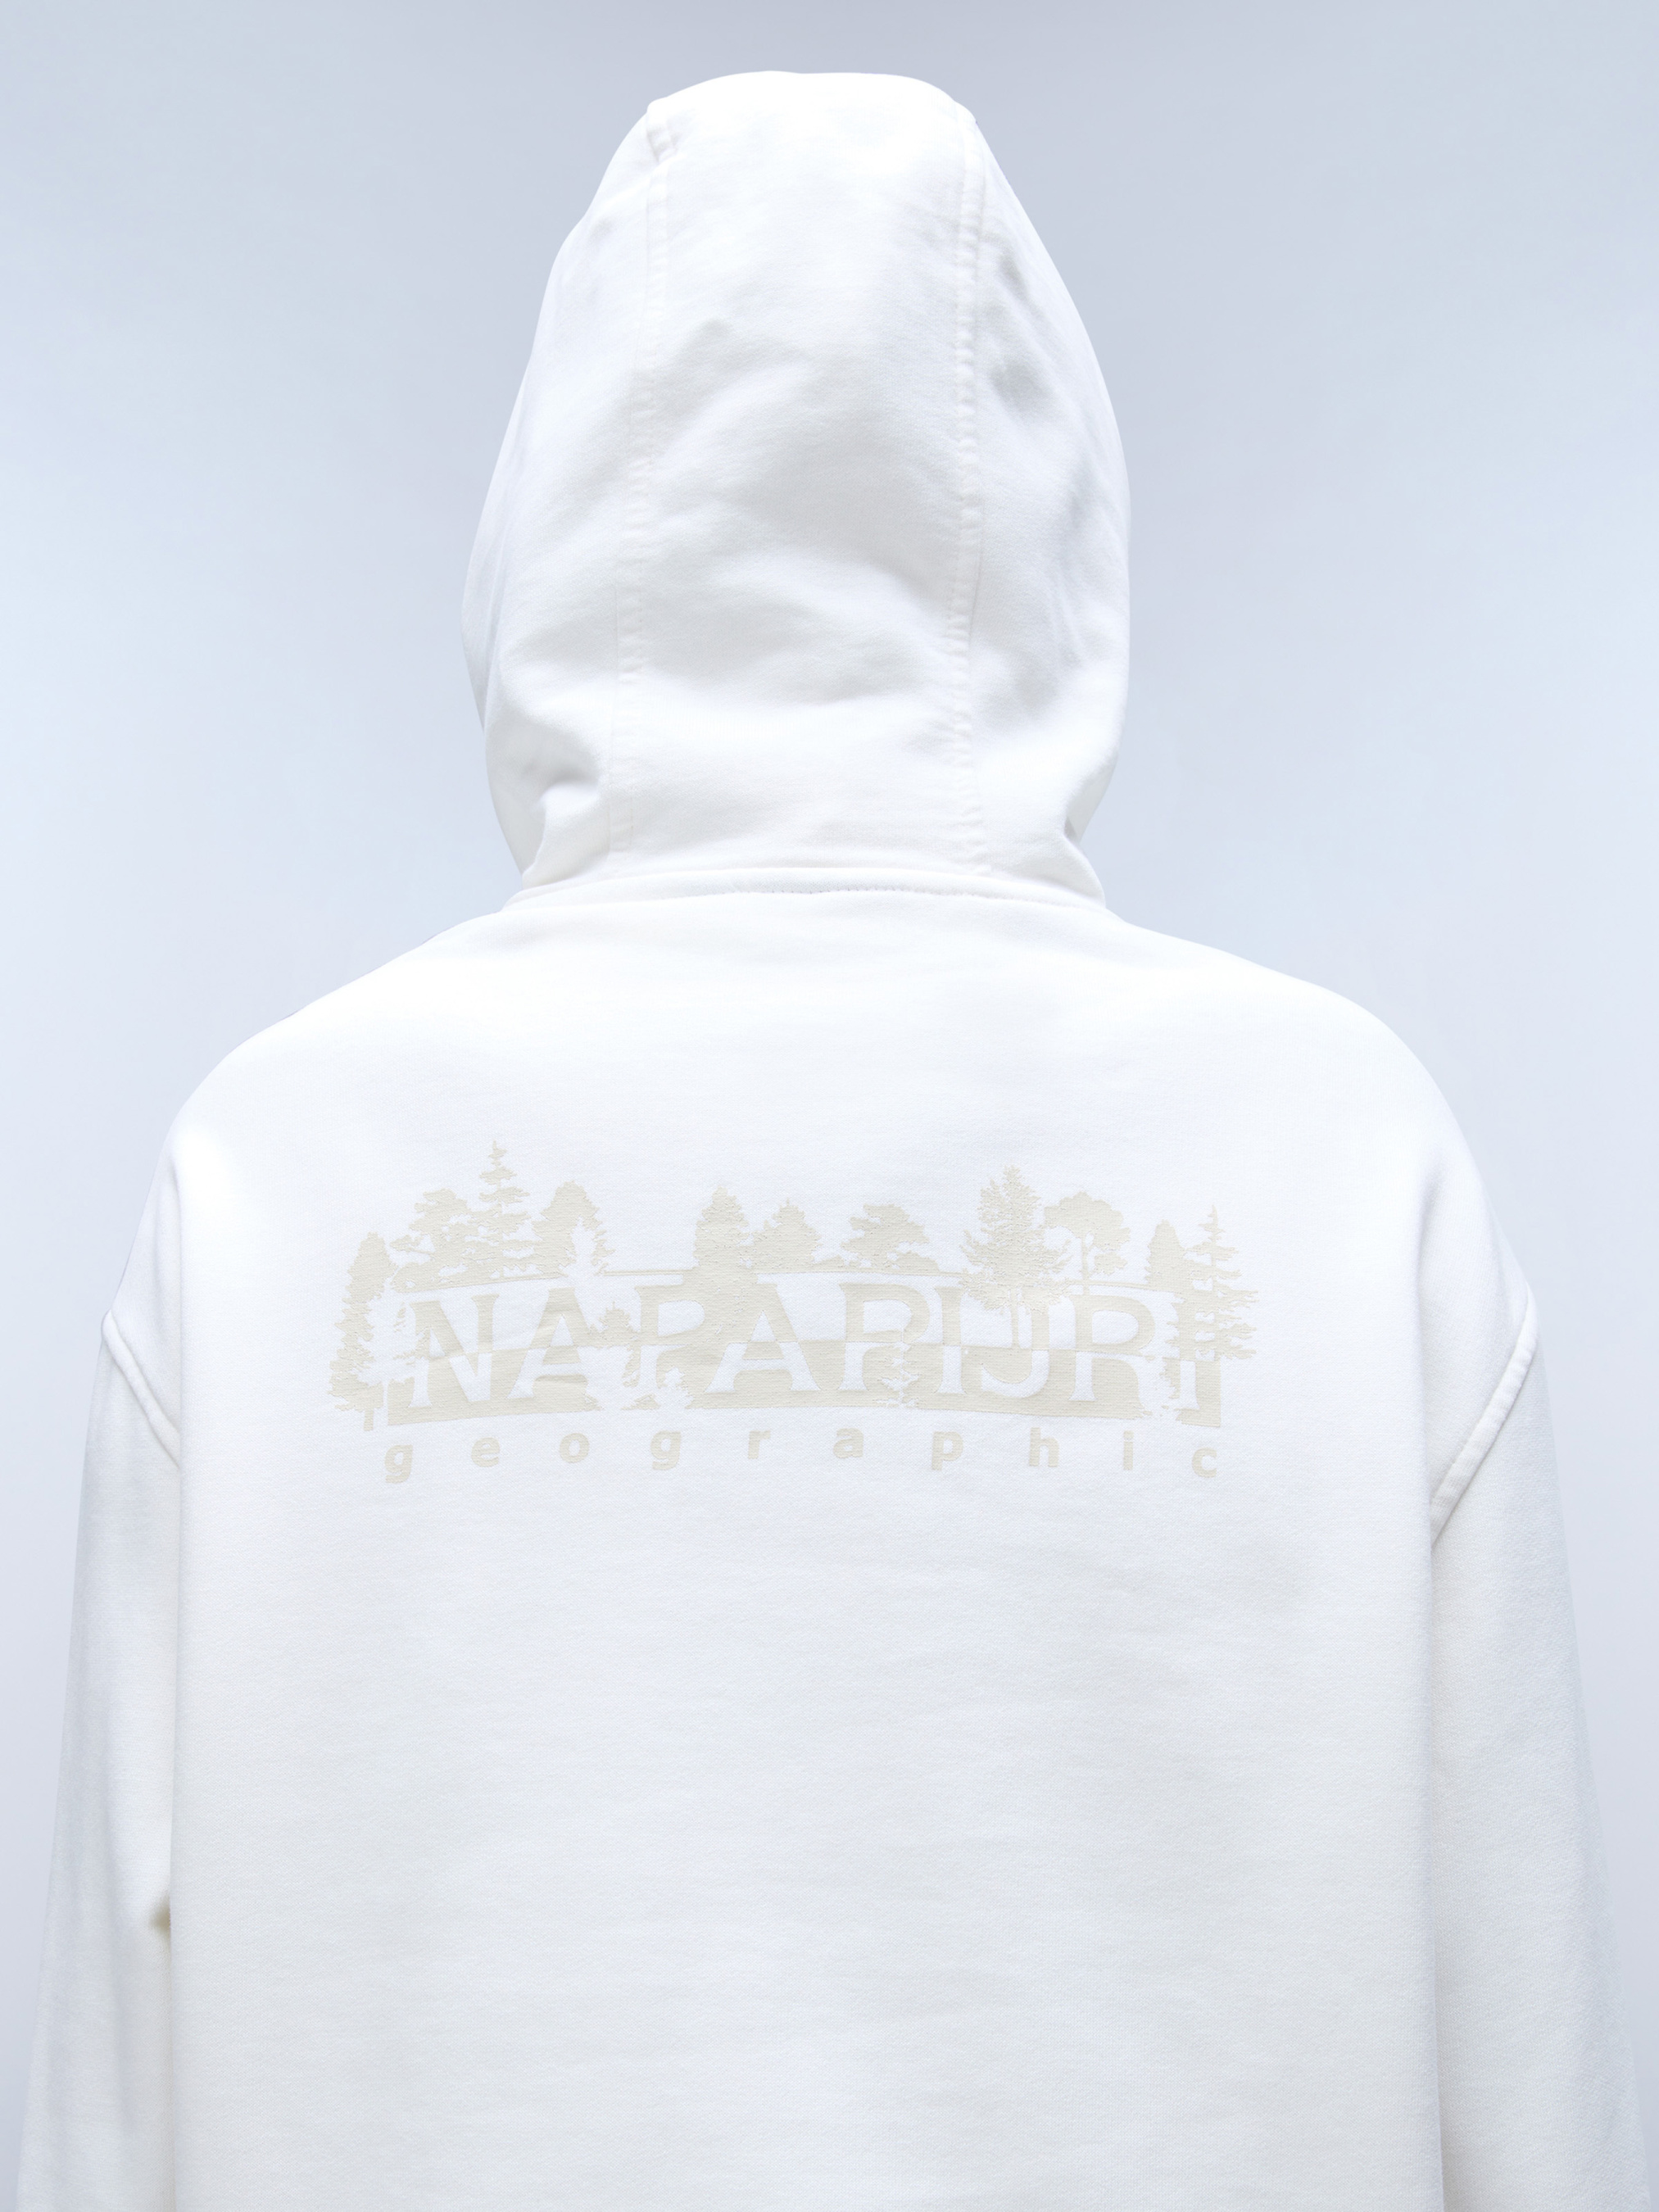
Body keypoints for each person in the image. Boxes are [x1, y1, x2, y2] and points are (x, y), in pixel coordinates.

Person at [19, 69, 1648, 2212]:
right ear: (1054, 513)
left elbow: (104, 2118)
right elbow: (1530, 2095)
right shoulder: (1334, 1161)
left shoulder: (280, 1177)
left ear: (545, 514)